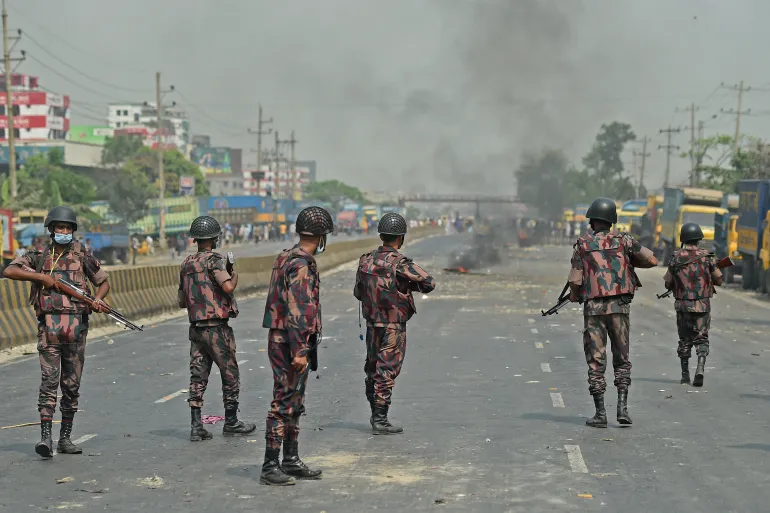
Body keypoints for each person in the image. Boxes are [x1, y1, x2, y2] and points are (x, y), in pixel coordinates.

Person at [2, 206, 111, 458]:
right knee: (49, 384)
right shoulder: (38, 255)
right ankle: (45, 439)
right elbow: (8, 270)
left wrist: (97, 299)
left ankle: (65, 438)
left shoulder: (82, 255)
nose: (63, 231)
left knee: (71, 386)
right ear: (51, 229)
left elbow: (103, 281)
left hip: (76, 331)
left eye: (67, 228)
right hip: (48, 330)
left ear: (73, 230)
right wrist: (42, 278)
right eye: (59, 227)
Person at [567, 197, 657, 428]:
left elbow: (575, 281)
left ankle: (600, 414)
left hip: (594, 311)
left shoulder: (583, 245)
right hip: (619, 309)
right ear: (612, 220)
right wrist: (628, 262)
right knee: (622, 359)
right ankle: (622, 408)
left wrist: (575, 296)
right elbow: (652, 260)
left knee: (596, 361)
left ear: (592, 221)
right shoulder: (624, 241)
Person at [260, 206, 334, 486]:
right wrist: (301, 350)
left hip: (284, 338)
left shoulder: (285, 257)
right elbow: (299, 308)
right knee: (283, 401)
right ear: (321, 236)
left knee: (295, 400)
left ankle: (290, 460)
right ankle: (270, 465)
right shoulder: (302, 263)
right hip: (291, 341)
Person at [354, 213, 435, 435]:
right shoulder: (401, 264)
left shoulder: (365, 260)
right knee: (386, 371)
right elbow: (429, 282)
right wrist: (406, 286)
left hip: (372, 324)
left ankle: (375, 415)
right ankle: (380, 419)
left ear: (381, 235)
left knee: (372, 369)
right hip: (393, 326)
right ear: (400, 238)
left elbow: (358, 292)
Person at [178, 216, 256, 442]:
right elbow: (228, 286)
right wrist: (233, 271)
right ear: (214, 238)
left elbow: (182, 301)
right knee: (230, 373)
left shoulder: (186, 264)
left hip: (196, 328)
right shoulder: (214, 261)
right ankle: (231, 422)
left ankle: (196, 426)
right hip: (217, 329)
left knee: (198, 375)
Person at [663, 223, 723, 387]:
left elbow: (667, 283)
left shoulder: (676, 257)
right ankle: (700, 368)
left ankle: (685, 376)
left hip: (683, 305)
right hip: (702, 306)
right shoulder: (707, 256)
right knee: (702, 338)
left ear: (683, 238)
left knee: (684, 339)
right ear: (698, 238)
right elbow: (719, 279)